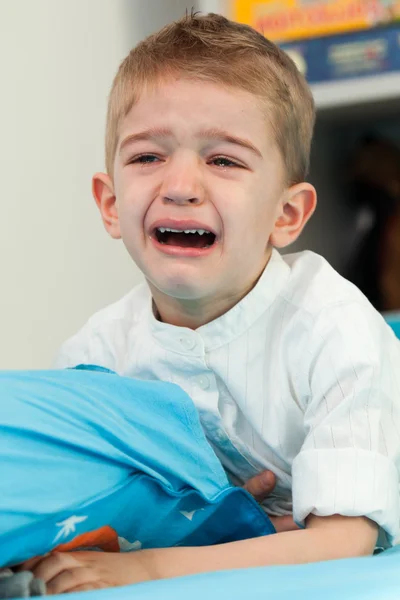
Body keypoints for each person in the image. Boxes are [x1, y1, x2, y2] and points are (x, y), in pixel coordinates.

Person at [27, 11, 400, 594]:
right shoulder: (96, 354)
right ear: (109, 202)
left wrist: (148, 567)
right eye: (147, 157)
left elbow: (344, 538)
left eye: (223, 159)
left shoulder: (334, 326)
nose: (180, 185)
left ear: (287, 214)